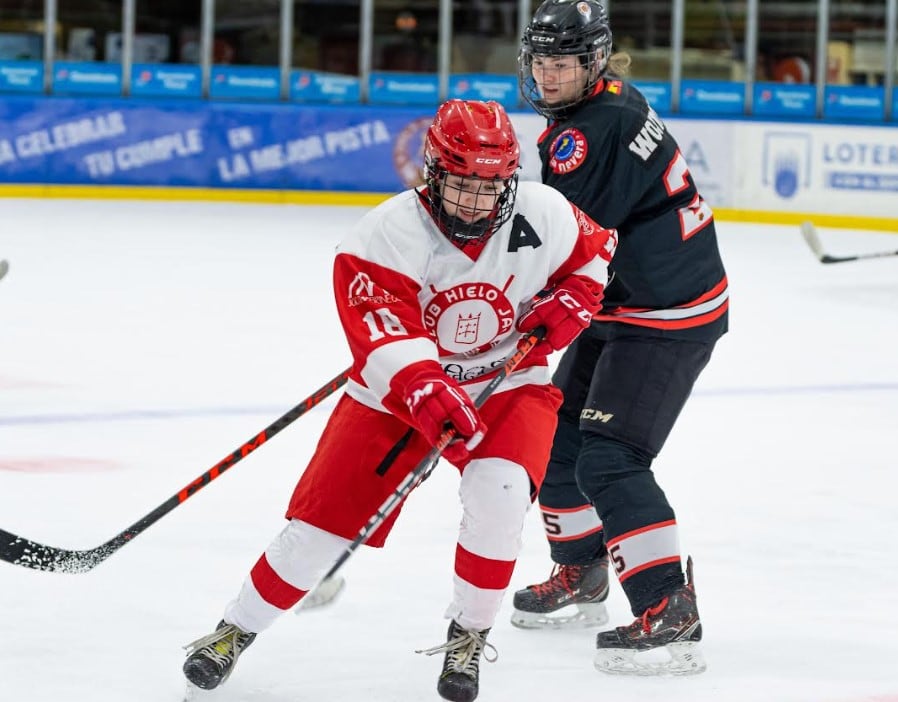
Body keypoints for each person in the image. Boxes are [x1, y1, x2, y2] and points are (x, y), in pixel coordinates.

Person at [181, 99, 617, 702]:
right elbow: (384, 335)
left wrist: (574, 296)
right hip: (398, 396)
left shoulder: (543, 211)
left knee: (502, 497)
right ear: (434, 173)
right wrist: (424, 386)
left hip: (509, 383)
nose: (474, 202)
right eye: (461, 185)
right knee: (319, 534)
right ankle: (234, 630)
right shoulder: (382, 234)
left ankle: (468, 635)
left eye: (489, 188)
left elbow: (596, 254)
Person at [511, 0, 729, 676]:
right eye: (541, 60)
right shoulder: (606, 101)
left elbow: (567, 248)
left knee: (609, 460)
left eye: (562, 62)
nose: (548, 75)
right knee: (555, 435)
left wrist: (498, 308)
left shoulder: (590, 132)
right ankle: (580, 573)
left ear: (593, 60)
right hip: (629, 302)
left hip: (667, 316)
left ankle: (669, 608)